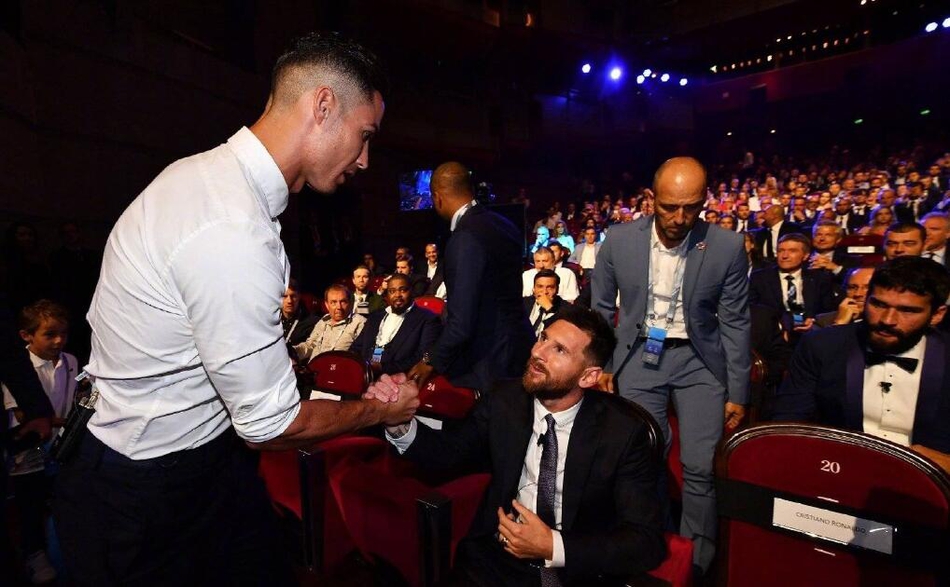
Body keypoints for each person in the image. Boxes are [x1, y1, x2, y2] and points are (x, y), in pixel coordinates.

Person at [52, 33, 419, 586]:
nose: (365, 160)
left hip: (190, 456)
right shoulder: (231, 227)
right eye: (365, 135)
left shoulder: (201, 178)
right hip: (148, 489)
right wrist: (379, 411)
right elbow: (268, 425)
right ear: (323, 105)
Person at [374, 306, 666, 586]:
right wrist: (398, 422)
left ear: (588, 376)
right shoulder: (505, 399)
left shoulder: (623, 432)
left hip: (575, 570)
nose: (538, 352)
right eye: (543, 338)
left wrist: (552, 545)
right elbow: (451, 451)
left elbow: (646, 541)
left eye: (559, 350)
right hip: (495, 561)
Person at [592, 156, 750, 574]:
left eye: (691, 207)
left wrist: (739, 391)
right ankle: (651, 542)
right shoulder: (619, 240)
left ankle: (696, 562)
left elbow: (735, 322)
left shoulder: (727, 246)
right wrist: (603, 363)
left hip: (700, 361)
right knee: (644, 455)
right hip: (639, 353)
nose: (680, 218)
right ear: (651, 198)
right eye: (669, 207)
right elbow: (601, 307)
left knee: (699, 466)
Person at [771, 257, 950, 473]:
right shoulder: (822, 345)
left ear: (937, 315)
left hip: (928, 481)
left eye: (908, 310)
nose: (887, 320)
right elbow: (789, 422)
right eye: (878, 304)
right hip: (838, 471)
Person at [406, 161, 534, 391]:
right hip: (519, 347)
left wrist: (429, 360)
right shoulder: (503, 223)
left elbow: (461, 322)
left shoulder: (464, 237)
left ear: (437, 198)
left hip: (488, 362)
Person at [2, 300, 64, 584]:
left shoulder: (69, 362)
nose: (58, 341)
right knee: (29, 500)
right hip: (24, 444)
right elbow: (19, 413)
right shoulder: (23, 362)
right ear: (26, 335)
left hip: (55, 443)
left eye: (62, 333)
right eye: (49, 334)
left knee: (54, 497)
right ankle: (33, 553)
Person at [350, 273, 441, 376]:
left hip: (397, 376)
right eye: (392, 291)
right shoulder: (375, 317)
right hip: (363, 373)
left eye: (403, 290)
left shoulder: (427, 319)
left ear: (411, 291)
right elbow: (356, 347)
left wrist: (382, 367)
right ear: (387, 295)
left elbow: (422, 357)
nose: (397, 295)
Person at [749, 233, 837, 336]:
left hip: (812, 332)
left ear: (805, 256)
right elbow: (753, 309)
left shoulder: (819, 278)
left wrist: (814, 321)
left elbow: (828, 309)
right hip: (774, 332)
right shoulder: (760, 278)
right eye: (781, 250)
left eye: (792, 251)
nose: (784, 256)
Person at [294, 284, 366, 361]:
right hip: (314, 366)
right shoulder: (323, 320)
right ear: (327, 305)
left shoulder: (359, 322)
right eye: (333, 302)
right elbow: (310, 345)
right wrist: (293, 351)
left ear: (350, 303)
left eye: (343, 302)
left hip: (340, 366)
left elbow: (362, 353)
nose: (339, 307)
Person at [523, 269, 567, 338]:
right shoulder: (523, 303)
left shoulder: (565, 309)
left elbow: (561, 333)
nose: (545, 291)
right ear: (534, 288)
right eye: (540, 286)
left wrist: (549, 308)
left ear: (557, 289)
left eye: (550, 287)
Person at [280, 278, 319, 347]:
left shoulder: (312, 323)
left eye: (293, 296)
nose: (289, 301)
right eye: (285, 296)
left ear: (299, 297)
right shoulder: (270, 319)